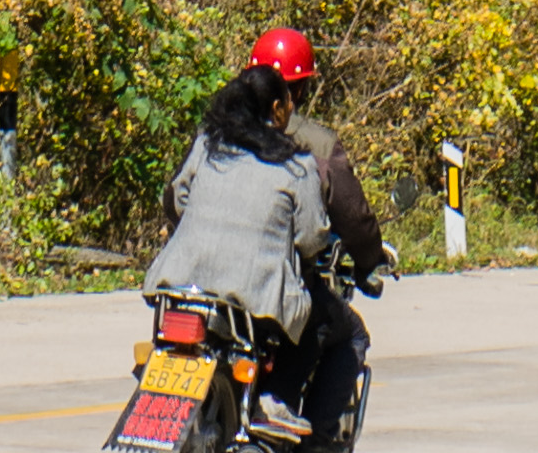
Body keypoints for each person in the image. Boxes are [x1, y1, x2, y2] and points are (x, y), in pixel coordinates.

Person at [144, 25, 386, 424]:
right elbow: (324, 232)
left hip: (181, 276)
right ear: (289, 99)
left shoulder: (211, 138)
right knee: (337, 327)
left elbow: (177, 200)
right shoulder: (304, 155)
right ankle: (292, 417)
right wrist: (368, 260)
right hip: (258, 286)